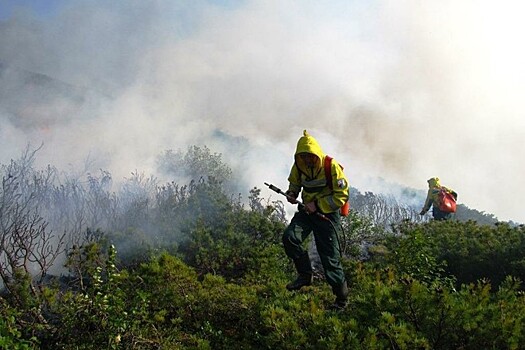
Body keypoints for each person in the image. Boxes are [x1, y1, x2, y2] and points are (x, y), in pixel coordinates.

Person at [282, 130, 350, 310]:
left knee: (329, 257)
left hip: (327, 215)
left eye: (309, 156)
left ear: (316, 154)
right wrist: (292, 193)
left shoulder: (331, 166)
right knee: (290, 237)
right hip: (306, 211)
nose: (307, 160)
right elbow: (295, 182)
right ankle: (305, 275)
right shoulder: (298, 166)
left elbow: (341, 196)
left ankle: (341, 300)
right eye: (303, 156)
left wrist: (318, 205)